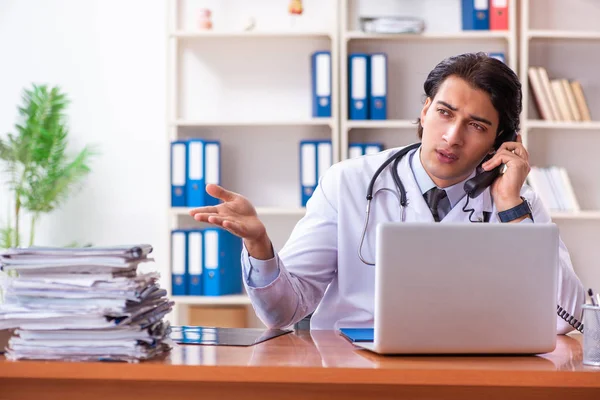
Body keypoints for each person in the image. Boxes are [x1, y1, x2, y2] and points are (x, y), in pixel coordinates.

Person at [189, 52, 584, 333]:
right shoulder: (349, 182)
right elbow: (284, 312)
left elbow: (566, 317)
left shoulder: (518, 203)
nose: (451, 136)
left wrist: (511, 208)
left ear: (501, 141)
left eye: (476, 125)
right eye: (445, 113)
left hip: (469, 372)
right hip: (352, 371)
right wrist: (260, 246)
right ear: (425, 110)